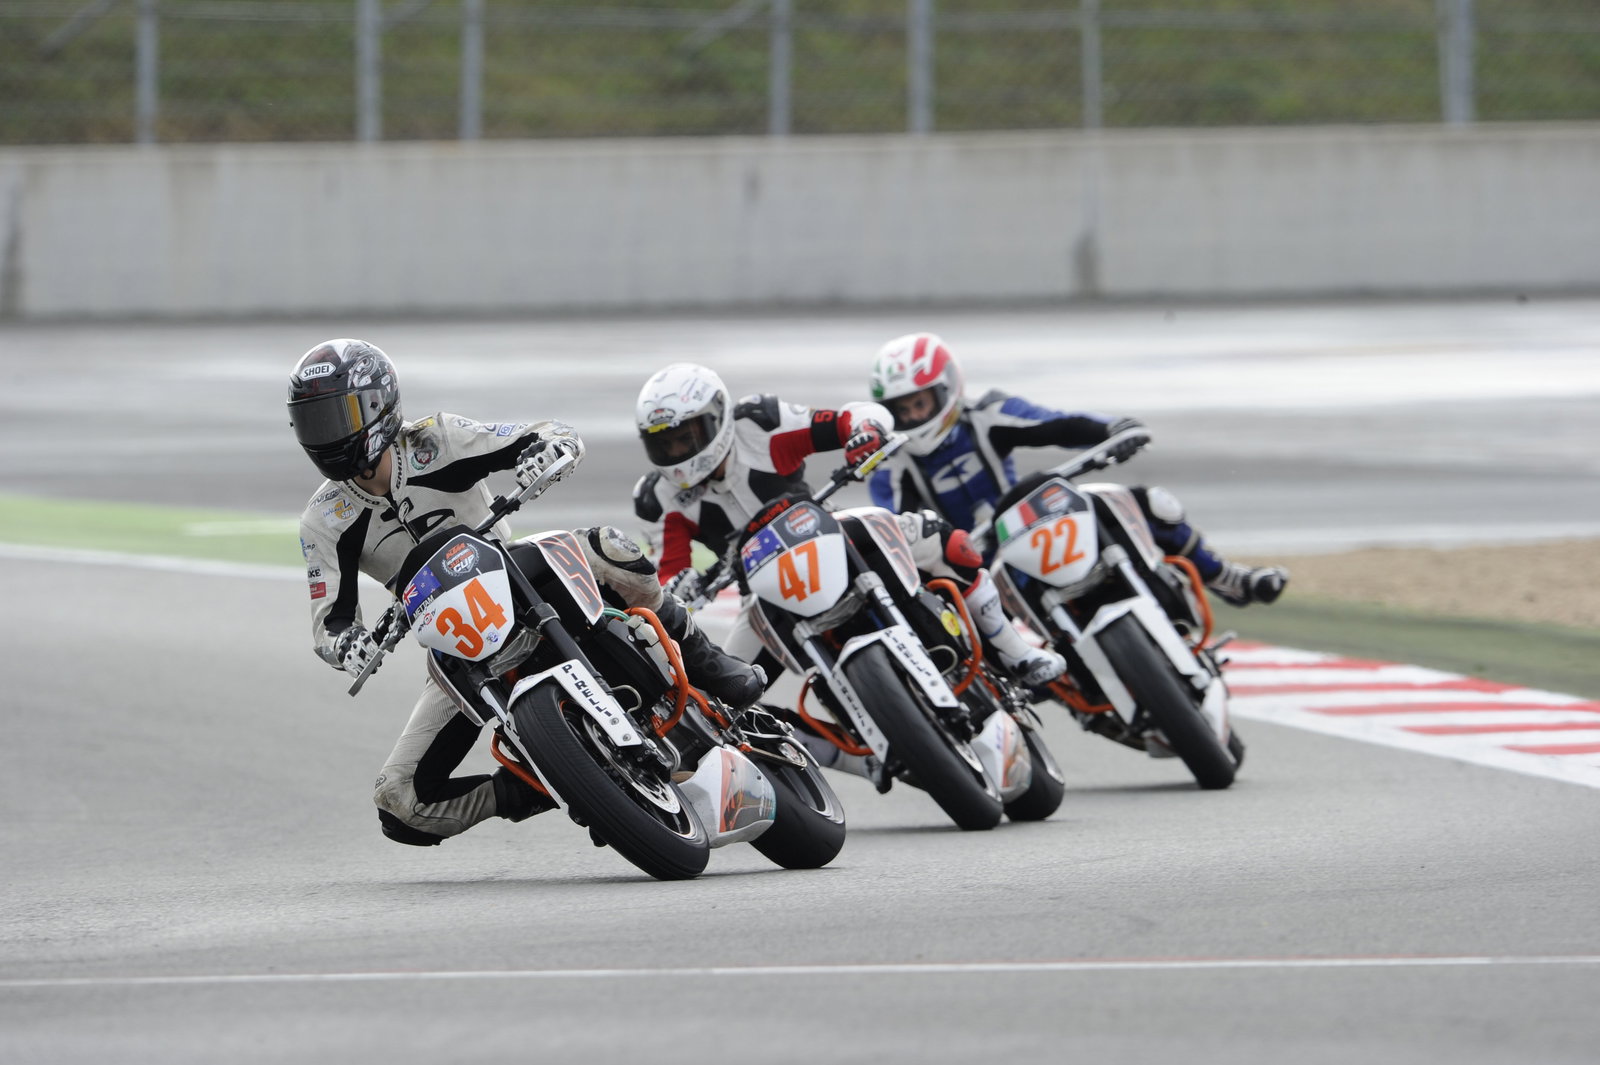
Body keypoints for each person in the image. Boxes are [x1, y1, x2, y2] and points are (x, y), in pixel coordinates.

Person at [289, 339, 763, 848]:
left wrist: (548, 448)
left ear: (380, 405)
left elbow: (531, 434)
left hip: (515, 574)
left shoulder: (434, 439)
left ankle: (706, 658)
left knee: (610, 546)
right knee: (399, 803)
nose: (329, 437)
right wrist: (347, 645)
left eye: (338, 418)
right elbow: (330, 622)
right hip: (453, 640)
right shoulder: (324, 521)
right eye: (314, 423)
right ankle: (540, 783)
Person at [630, 362, 1066, 691]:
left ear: (716, 418)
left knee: (946, 540)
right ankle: (840, 760)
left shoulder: (759, 422)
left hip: (828, 532)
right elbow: (666, 572)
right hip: (761, 593)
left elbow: (847, 419)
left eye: (685, 435)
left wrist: (866, 432)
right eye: (665, 442)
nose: (678, 449)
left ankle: (1017, 651)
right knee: (722, 694)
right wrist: (675, 586)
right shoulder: (660, 497)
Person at [865, 333, 1288, 607]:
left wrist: (1111, 429)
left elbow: (1056, 423)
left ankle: (1224, 577)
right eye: (902, 409)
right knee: (937, 609)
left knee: (1152, 503)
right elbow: (900, 534)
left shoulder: (989, 413)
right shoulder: (892, 465)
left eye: (920, 402)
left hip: (1032, 520)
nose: (914, 415)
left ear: (947, 390)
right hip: (974, 562)